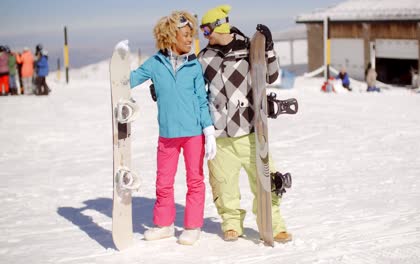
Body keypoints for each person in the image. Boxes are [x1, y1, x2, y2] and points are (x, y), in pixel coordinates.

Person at [114, 11, 216, 246]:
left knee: (195, 180)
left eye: (191, 35)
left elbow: (202, 100)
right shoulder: (155, 64)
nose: (190, 39)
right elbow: (130, 80)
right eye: (186, 35)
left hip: (193, 134)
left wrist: (208, 131)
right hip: (168, 134)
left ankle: (192, 226)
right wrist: (119, 64)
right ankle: (164, 225)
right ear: (171, 36)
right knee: (164, 181)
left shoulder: (193, 66)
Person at [197, 5, 292, 243]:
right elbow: (194, 91)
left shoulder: (249, 48)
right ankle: (231, 224)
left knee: (265, 179)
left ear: (220, 25)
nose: (205, 35)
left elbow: (270, 77)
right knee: (223, 184)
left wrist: (268, 48)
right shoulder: (204, 57)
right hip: (219, 133)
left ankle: (274, 223)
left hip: (251, 130)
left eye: (207, 29)